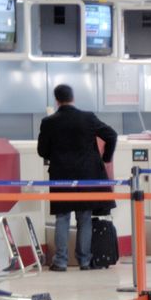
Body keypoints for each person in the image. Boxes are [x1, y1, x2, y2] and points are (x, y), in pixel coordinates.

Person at [36, 84, 117, 272]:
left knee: (62, 219)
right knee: (85, 218)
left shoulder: (49, 122)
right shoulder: (87, 118)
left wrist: (55, 155)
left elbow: (42, 151)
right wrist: (105, 158)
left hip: (60, 177)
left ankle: (61, 262)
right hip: (87, 177)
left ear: (56, 100)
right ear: (73, 98)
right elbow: (111, 135)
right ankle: (84, 261)